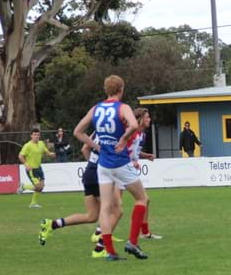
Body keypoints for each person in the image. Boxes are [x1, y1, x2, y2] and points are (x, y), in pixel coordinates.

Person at [73, 74, 150, 261]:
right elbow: (134, 125)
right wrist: (123, 139)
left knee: (105, 208)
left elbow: (78, 132)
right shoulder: (122, 107)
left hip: (103, 164)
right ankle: (133, 242)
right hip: (120, 162)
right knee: (142, 199)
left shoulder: (96, 108)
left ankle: (110, 252)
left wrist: (97, 146)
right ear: (121, 89)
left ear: (106, 90)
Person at [38, 136, 124, 258]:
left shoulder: (97, 132)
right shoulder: (116, 133)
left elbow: (84, 148)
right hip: (100, 174)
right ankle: (100, 249)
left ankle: (52, 224)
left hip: (89, 173)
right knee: (116, 211)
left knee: (91, 216)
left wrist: (92, 165)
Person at [128, 108, 161, 240]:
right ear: (140, 119)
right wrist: (132, 161)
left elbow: (135, 152)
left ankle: (145, 232)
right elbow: (123, 148)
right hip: (123, 168)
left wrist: (146, 156)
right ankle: (139, 235)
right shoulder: (132, 133)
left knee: (144, 200)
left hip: (128, 169)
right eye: (147, 117)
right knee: (115, 206)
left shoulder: (142, 135)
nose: (149, 119)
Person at [17, 128, 55, 208]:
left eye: (38, 135)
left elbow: (46, 151)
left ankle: (33, 204)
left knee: (41, 187)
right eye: (34, 135)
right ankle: (24, 187)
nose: (36, 136)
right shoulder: (27, 145)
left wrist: (51, 154)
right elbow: (20, 156)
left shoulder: (41, 143)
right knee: (38, 187)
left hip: (39, 168)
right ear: (31, 136)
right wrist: (26, 164)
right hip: (31, 169)